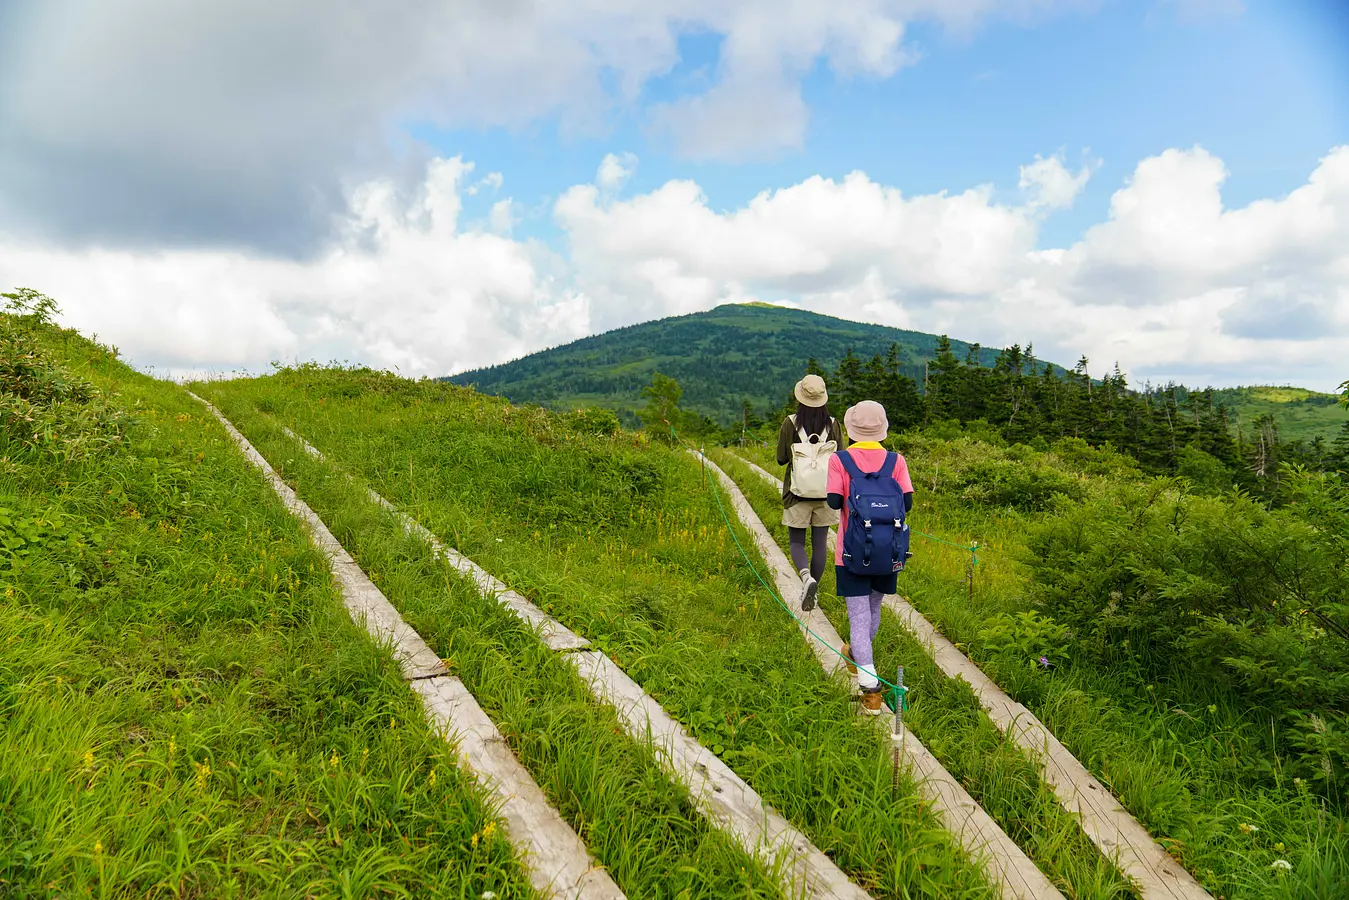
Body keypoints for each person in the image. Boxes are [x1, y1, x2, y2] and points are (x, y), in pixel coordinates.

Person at [826, 400, 914, 715]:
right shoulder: (896, 461)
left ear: (851, 428)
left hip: (850, 552)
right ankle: (855, 654)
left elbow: (835, 501)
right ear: (882, 428)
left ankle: (870, 687)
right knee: (872, 611)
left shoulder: (840, 459)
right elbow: (908, 503)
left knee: (859, 617)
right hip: (887, 552)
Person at [776, 374, 846, 612]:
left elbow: (780, 458)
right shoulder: (833, 424)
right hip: (826, 494)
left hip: (797, 493)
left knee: (796, 542)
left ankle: (806, 578)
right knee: (819, 544)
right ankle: (814, 594)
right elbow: (841, 459)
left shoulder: (790, 423)